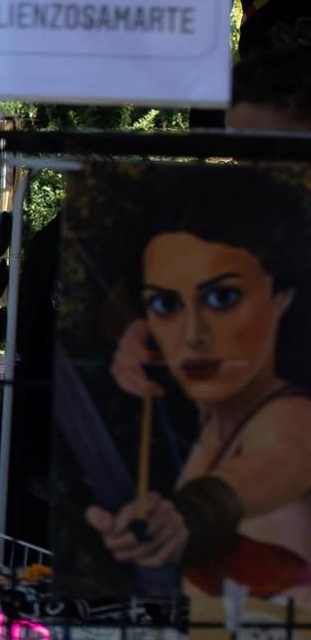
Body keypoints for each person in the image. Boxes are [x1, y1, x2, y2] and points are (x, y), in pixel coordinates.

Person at [90, 168, 311, 607]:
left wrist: (190, 514)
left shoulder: (288, 415)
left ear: (282, 298)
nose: (192, 333)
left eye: (222, 298)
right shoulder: (215, 416)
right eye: (167, 304)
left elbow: (276, 458)